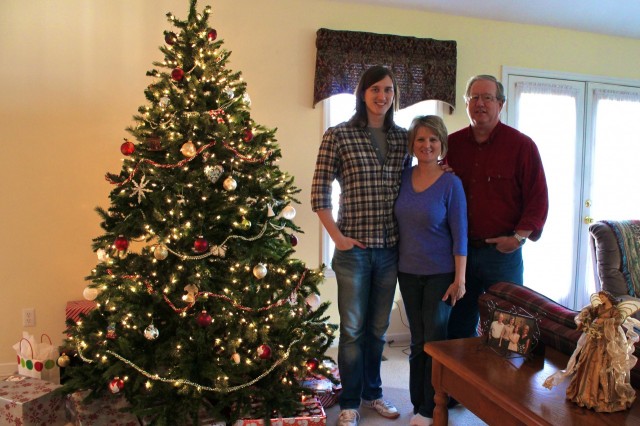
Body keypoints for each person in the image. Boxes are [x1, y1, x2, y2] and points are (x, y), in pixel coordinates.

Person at [311, 65, 407, 426]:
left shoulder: (403, 138)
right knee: (351, 330)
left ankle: (374, 393)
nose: (382, 96)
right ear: (362, 93)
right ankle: (350, 401)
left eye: (388, 90)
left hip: (391, 250)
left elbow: (420, 175)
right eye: (375, 90)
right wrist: (337, 237)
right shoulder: (338, 135)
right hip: (353, 252)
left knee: (377, 330)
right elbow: (318, 192)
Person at [445, 75, 549, 340]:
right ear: (467, 103)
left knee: (508, 332)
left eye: (487, 98)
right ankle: (460, 382)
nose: (480, 104)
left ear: (500, 104)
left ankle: (500, 381)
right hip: (460, 255)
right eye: (474, 98)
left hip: (502, 255)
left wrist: (517, 238)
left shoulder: (522, 146)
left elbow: (538, 198)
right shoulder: (451, 145)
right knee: (457, 327)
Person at [394, 115, 467, 426]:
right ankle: (418, 403)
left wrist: (459, 279)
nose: (426, 145)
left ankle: (431, 408)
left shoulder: (451, 183)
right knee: (416, 340)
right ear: (412, 144)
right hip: (407, 272)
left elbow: (460, 234)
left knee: (434, 342)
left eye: (433, 140)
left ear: (442, 145)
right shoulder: (402, 177)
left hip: (440, 275)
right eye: (421, 139)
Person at [543, 291, 639, 412]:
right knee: (589, 360)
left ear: (608, 297)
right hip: (595, 338)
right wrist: (586, 314)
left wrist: (604, 322)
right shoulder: (599, 307)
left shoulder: (614, 310)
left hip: (608, 341)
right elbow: (591, 313)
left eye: (603, 297)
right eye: (600, 297)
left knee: (604, 363)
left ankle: (604, 396)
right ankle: (586, 392)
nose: (601, 299)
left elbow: (618, 320)